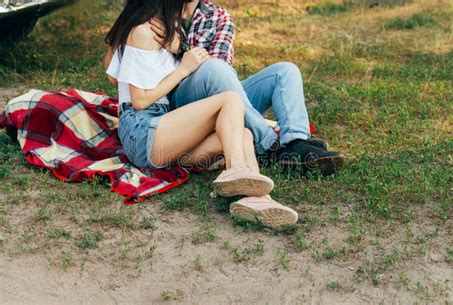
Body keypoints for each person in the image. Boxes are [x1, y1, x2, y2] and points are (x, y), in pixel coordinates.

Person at [104, 0, 298, 229]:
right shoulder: (143, 32)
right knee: (230, 100)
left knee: (242, 134)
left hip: (164, 139)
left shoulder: (165, 31)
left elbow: (114, 75)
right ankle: (235, 171)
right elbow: (140, 101)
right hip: (142, 132)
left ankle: (258, 202)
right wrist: (183, 69)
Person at [151, 0, 345, 175]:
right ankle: (272, 146)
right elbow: (210, 70)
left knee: (285, 71)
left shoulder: (218, 17)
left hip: (224, 101)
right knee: (214, 68)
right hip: (180, 104)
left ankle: (296, 142)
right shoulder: (158, 12)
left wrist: (181, 47)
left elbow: (221, 70)